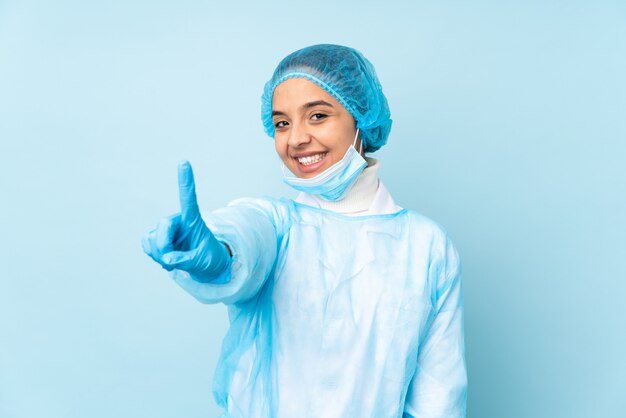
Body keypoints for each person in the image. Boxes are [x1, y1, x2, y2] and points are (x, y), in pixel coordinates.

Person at [142, 44, 467, 418]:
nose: (295, 138)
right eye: (282, 123)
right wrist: (216, 256)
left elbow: (439, 398)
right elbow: (245, 236)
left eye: (317, 116)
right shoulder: (277, 226)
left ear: (361, 118)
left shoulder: (426, 247)